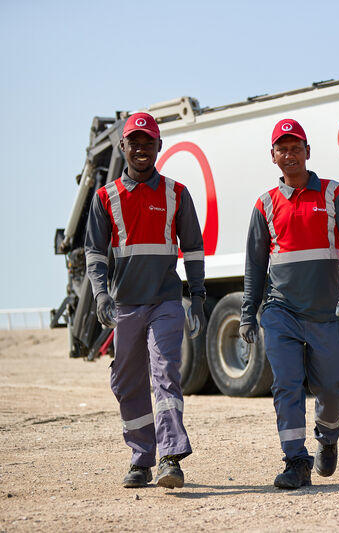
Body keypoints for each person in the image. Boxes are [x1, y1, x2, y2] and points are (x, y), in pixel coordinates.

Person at [240, 118, 339, 490]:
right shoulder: (264, 205)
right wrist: (249, 312)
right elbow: (254, 265)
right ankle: (296, 459)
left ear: (308, 152)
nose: (290, 154)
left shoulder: (332, 193)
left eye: (296, 148)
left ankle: (327, 435)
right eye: (283, 148)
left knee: (332, 389)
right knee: (286, 385)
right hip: (281, 312)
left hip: (329, 313)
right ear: (273, 156)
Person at [84, 112, 207, 488]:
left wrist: (197, 297)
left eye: (147, 142)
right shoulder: (105, 197)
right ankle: (141, 459)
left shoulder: (177, 194)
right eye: (133, 142)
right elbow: (94, 253)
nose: (140, 148)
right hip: (125, 306)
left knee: (165, 371)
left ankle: (171, 457)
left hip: (165, 302)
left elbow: (195, 249)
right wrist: (101, 293)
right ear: (123, 147)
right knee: (126, 381)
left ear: (159, 146)